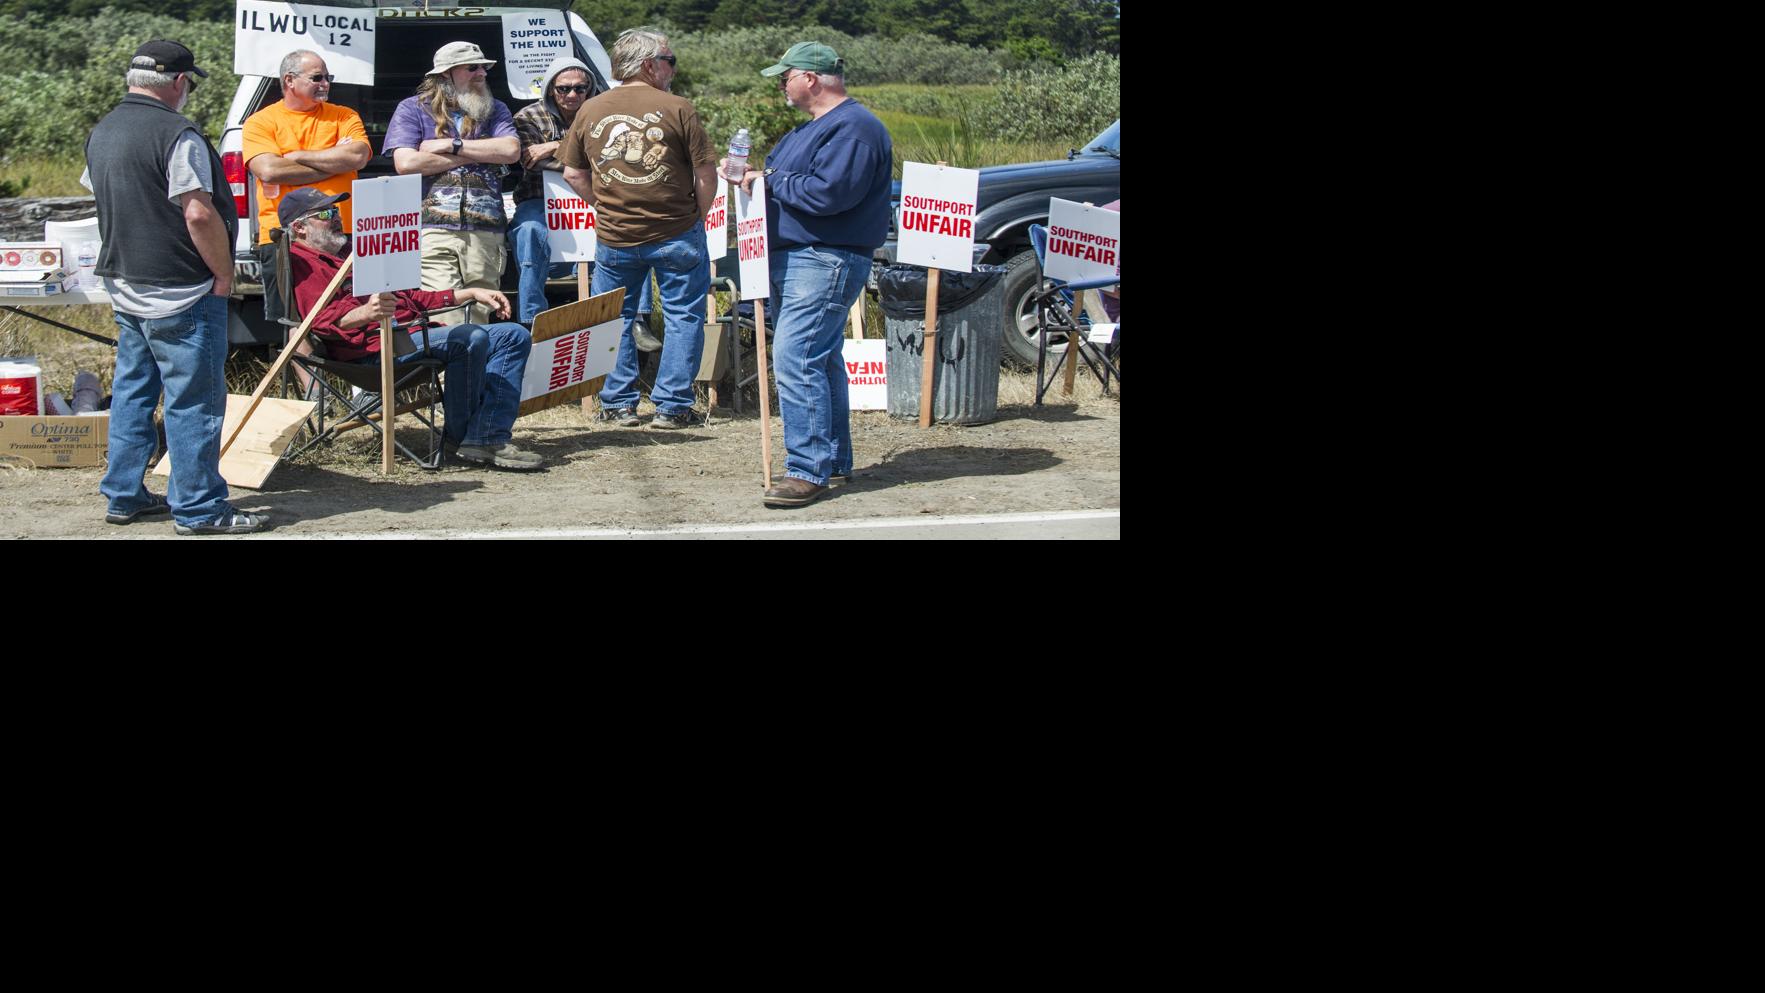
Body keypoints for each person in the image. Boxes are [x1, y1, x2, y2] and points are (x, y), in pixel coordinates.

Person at [83, 40, 267, 535]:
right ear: (181, 82)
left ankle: (124, 494)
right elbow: (198, 213)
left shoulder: (104, 130)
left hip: (126, 284)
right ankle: (201, 510)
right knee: (195, 404)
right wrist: (223, 274)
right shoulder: (177, 134)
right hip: (181, 289)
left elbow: (109, 195)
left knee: (133, 393)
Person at [729, 42, 892, 507]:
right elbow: (797, 187)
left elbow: (829, 194)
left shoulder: (855, 128)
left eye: (785, 77)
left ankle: (807, 469)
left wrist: (767, 180)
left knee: (796, 357)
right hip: (800, 257)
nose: (781, 85)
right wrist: (752, 178)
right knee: (819, 359)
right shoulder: (811, 130)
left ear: (811, 78)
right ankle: (831, 460)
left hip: (824, 257)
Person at [281, 188, 543, 471]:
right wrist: (365, 313)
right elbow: (319, 321)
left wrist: (468, 293)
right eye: (325, 214)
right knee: (469, 338)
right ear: (299, 228)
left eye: (335, 211)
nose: (335, 218)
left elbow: (411, 298)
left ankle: (485, 433)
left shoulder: (354, 251)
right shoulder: (303, 263)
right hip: (373, 350)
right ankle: (466, 439)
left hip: (411, 334)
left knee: (513, 335)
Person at [560, 28, 717, 430]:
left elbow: (573, 173)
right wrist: (697, 217)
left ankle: (618, 405)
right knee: (684, 317)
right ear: (649, 65)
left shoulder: (590, 109)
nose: (673, 69)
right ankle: (672, 407)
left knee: (614, 318)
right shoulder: (679, 107)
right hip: (676, 232)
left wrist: (604, 205)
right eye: (669, 61)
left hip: (616, 236)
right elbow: (705, 173)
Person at [242, 49, 371, 390]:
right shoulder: (261, 122)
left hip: (342, 235)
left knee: (358, 309)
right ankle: (316, 397)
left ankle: (361, 390)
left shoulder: (343, 115)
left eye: (328, 77)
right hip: (283, 238)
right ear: (289, 81)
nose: (325, 83)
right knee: (294, 320)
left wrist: (296, 157)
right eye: (317, 78)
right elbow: (268, 169)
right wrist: (333, 162)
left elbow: (358, 155)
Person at [383, 42, 519, 325]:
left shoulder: (496, 108)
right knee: (445, 314)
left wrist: (451, 145)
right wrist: (480, 152)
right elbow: (406, 163)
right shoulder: (412, 109)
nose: (482, 73)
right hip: (431, 228)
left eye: (484, 67)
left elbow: (510, 151)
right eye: (472, 67)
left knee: (480, 316)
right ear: (446, 73)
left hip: (486, 230)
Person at [510, 55, 597, 325]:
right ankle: (532, 319)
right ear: (550, 89)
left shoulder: (601, 113)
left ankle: (631, 316)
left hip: (591, 199)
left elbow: (611, 157)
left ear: (589, 89)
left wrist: (553, 146)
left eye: (580, 88)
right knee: (529, 231)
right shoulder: (528, 116)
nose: (572, 95)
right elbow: (530, 160)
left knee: (629, 232)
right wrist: (584, 155)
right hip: (538, 198)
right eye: (564, 88)